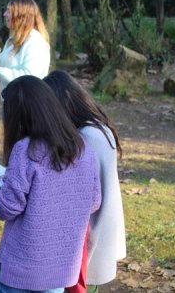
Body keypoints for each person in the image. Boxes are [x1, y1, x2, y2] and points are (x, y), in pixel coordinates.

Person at [0, 76, 101, 292]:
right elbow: (93, 201)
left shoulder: (26, 149)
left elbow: (8, 207)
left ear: (18, 115)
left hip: (20, 272)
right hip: (60, 273)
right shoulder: (83, 147)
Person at [43, 70, 126, 289]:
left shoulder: (87, 136)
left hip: (89, 227)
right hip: (98, 220)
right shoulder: (98, 127)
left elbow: (81, 190)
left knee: (78, 283)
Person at [0, 0, 51, 93]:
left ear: (21, 16)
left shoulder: (35, 43)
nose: (4, 14)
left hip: (29, 104)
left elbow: (30, 78)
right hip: (12, 102)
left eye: (9, 11)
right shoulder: (14, 39)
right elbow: (2, 63)